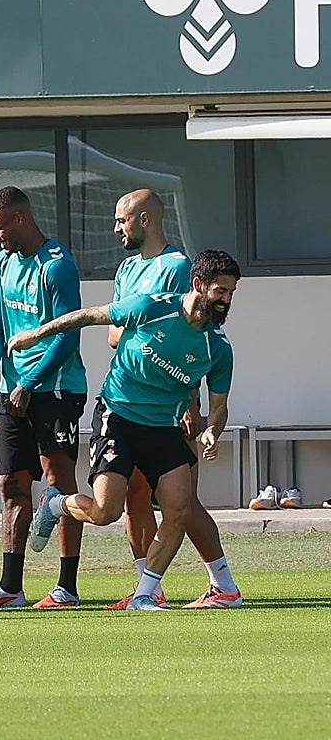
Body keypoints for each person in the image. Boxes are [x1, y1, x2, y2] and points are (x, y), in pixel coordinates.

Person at [16, 250, 239, 612]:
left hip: (163, 428)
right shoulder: (152, 307)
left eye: (230, 293)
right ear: (198, 284)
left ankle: (145, 594)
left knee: (179, 509)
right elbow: (89, 315)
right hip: (118, 416)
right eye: (220, 291)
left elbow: (219, 406)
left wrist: (212, 429)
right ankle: (55, 504)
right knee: (105, 513)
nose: (226, 300)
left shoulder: (218, 347)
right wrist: (34, 335)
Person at [103, 190, 243, 610]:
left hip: (171, 406)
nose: (117, 228)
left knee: (180, 502)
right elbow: (114, 334)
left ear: (144, 220)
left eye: (122, 220)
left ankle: (222, 584)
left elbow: (188, 336)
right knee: (133, 497)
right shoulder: (127, 268)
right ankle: (148, 588)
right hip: (130, 398)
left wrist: (191, 405)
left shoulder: (177, 266)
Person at [0, 186, 87, 611]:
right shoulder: (2, 264)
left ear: (20, 218)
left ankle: (66, 588)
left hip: (56, 390)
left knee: (58, 481)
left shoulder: (57, 266)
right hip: (12, 390)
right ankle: (10, 588)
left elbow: (68, 336)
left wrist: (29, 383)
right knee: (12, 483)